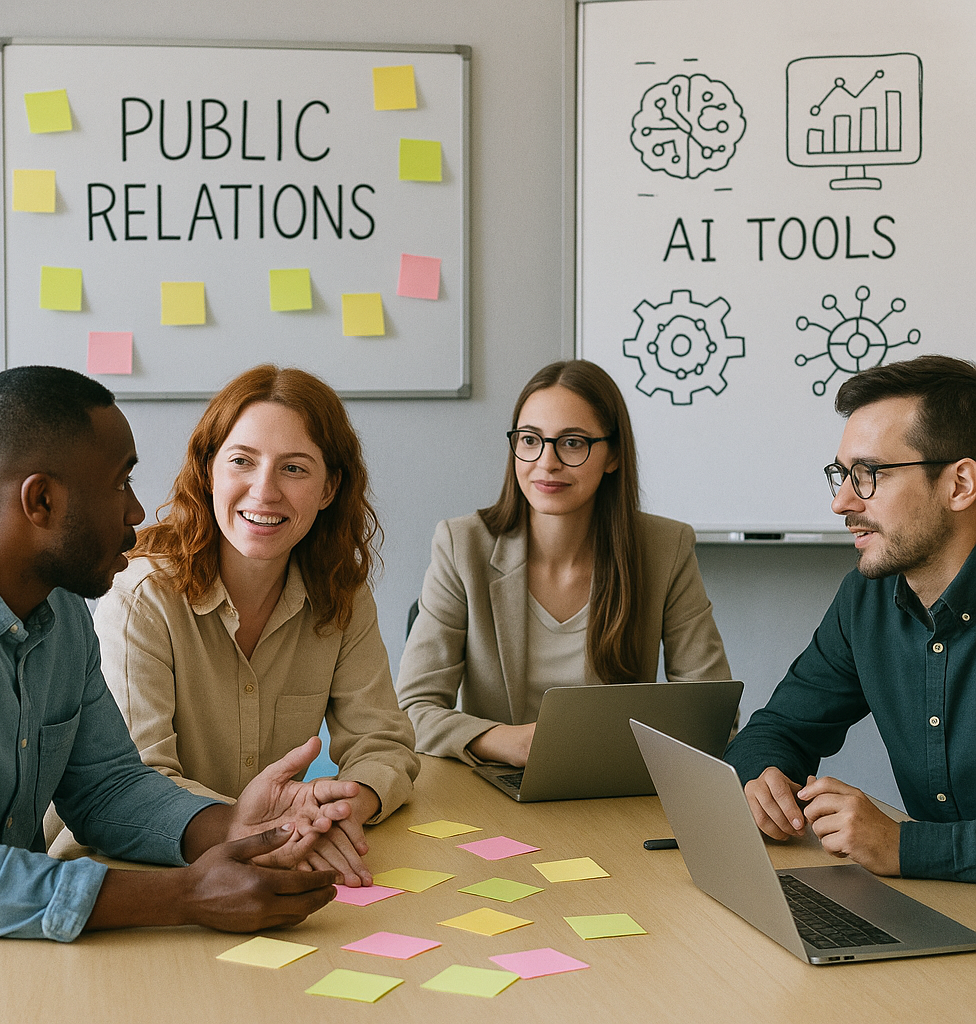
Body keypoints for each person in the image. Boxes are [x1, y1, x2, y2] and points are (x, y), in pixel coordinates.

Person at [0, 365, 357, 941]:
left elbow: (107, 786)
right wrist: (186, 895)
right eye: (120, 483)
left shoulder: (62, 611)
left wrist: (234, 825)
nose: (137, 512)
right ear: (40, 500)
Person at [93, 364, 419, 888]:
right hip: (144, 871)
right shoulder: (141, 596)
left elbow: (382, 743)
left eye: (295, 469)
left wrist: (345, 807)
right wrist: (279, 828)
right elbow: (137, 783)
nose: (264, 491)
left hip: (272, 861)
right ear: (209, 470)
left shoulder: (342, 594)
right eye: (242, 461)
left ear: (330, 487)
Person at [396, 359, 731, 766]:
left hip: (609, 788)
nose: (547, 462)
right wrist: (505, 741)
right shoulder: (462, 545)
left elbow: (713, 714)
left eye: (573, 442)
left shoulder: (665, 548)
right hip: (490, 785)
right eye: (530, 440)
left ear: (613, 455)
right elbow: (412, 710)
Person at [725, 354, 976, 883]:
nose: (841, 502)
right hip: (941, 909)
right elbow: (777, 729)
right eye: (842, 475)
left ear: (959, 485)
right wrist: (762, 777)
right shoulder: (867, 598)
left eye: (868, 476)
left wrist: (905, 845)